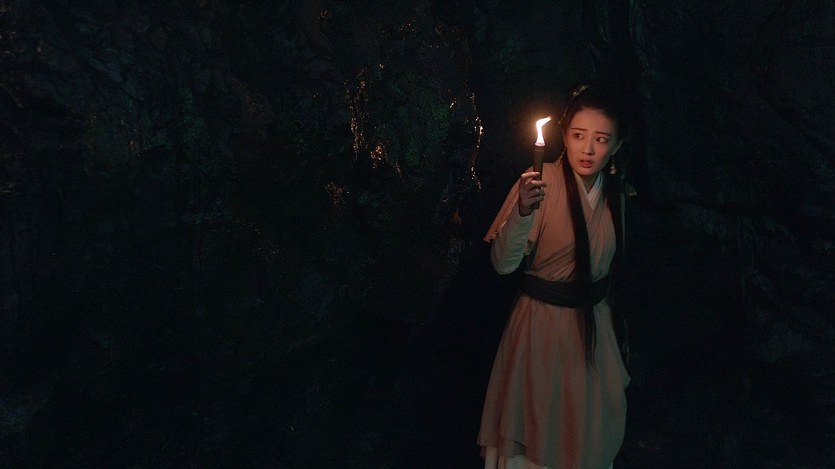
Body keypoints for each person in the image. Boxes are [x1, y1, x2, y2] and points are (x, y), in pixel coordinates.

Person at [477, 82, 632, 469]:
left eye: (601, 139)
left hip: (593, 333)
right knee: (535, 431)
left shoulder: (616, 195)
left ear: (616, 146)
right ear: (564, 136)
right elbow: (503, 264)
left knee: (587, 435)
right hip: (541, 329)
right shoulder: (538, 183)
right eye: (579, 136)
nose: (588, 149)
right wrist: (522, 212)